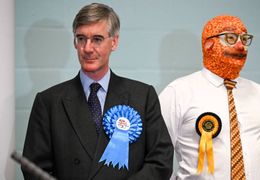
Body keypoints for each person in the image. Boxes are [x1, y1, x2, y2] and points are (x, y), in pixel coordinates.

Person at [22, 3, 173, 180]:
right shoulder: (48, 102)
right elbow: (34, 169)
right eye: (81, 39)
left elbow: (161, 161)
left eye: (97, 39)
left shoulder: (143, 96)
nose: (87, 48)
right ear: (74, 42)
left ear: (114, 42)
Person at [159, 15, 260, 180]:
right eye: (230, 38)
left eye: (244, 39)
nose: (240, 46)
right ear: (208, 44)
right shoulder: (177, 92)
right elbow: (156, 158)